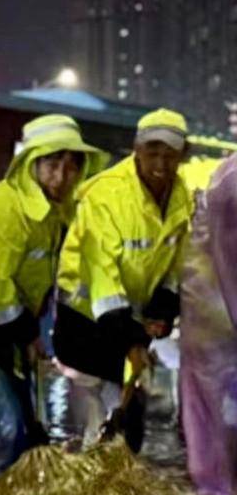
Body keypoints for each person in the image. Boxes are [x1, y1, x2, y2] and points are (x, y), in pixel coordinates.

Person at [0, 115, 107, 481]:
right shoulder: (5, 208)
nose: (62, 176)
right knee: (0, 429)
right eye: (52, 164)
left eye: (71, 165)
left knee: (20, 429)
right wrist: (25, 332)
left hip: (1, 328)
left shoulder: (54, 212)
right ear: (31, 163)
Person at [54, 109, 192, 450]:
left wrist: (165, 301)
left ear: (182, 155)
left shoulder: (181, 196)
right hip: (88, 322)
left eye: (169, 154)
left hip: (131, 319)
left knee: (130, 423)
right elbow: (102, 278)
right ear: (136, 149)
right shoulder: (106, 197)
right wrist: (130, 339)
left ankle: (115, 488)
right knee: (98, 423)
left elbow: (177, 258)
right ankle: (87, 492)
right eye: (152, 152)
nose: (160, 163)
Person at [180, 155, 237, 495]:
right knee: (216, 406)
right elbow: (227, 262)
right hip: (214, 312)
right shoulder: (230, 183)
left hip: (216, 306)